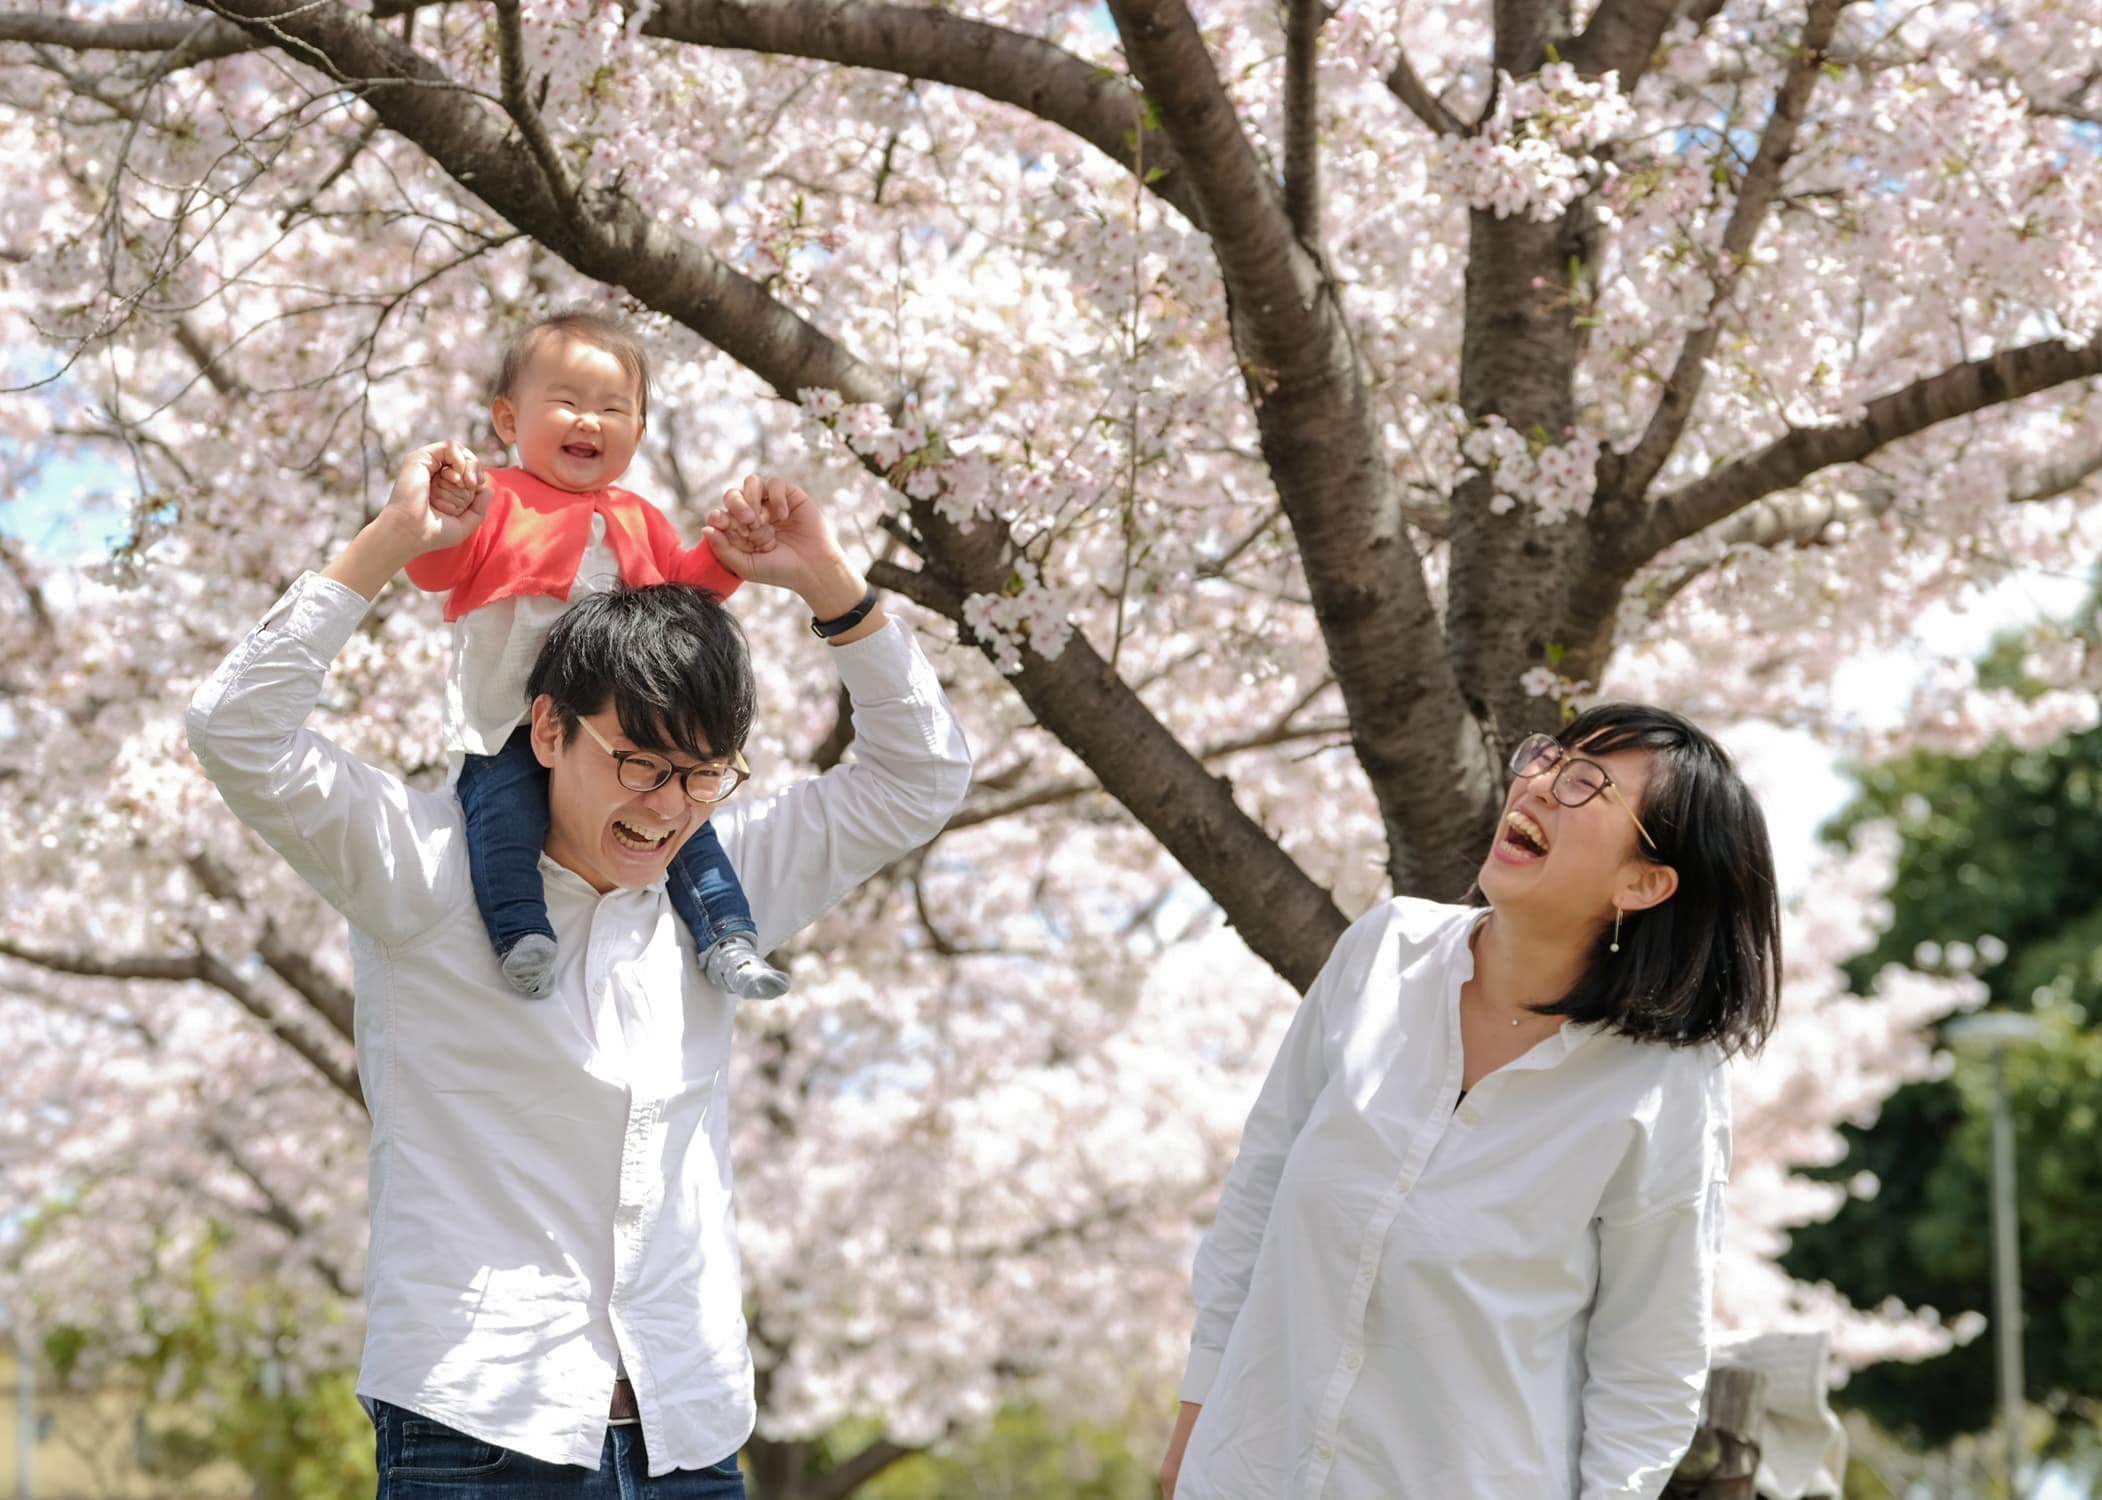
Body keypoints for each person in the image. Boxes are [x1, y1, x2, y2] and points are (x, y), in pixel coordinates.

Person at [186, 441, 973, 1494]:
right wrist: (391, 544)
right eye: (638, 763)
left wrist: (832, 586)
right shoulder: (426, 870)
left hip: (687, 1430)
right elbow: (235, 731)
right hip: (480, 1433)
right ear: (550, 729)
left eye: (703, 775)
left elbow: (922, 777)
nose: (666, 807)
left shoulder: (723, 892)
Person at [1158, 706, 1782, 1500]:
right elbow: (1258, 1195)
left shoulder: (1663, 1085)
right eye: (1550, 757)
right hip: (1246, 1475)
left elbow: (1648, 1373)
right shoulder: (1383, 953)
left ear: (1643, 883)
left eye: (1588, 783)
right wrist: (1195, 1426)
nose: (1541, 784)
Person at [407, 307, 796, 1001]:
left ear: (638, 433)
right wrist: (441, 519)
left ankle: (729, 937)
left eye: (613, 410)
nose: (589, 421)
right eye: (566, 402)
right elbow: (434, 570)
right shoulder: (493, 501)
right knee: (501, 817)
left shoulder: (639, 517)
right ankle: (521, 932)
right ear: (507, 419)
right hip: (506, 720)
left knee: (683, 823)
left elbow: (686, 599)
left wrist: (728, 555)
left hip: (619, 725)